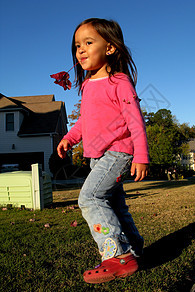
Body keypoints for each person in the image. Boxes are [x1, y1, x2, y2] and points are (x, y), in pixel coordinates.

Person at [57, 18, 150, 284]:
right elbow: (86, 120)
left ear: (110, 48)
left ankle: (117, 256)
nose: (81, 50)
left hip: (119, 152)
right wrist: (69, 138)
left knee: (90, 198)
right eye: (77, 46)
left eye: (88, 42)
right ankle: (133, 249)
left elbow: (135, 121)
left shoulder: (119, 82)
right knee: (114, 204)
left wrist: (141, 156)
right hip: (96, 158)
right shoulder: (87, 85)